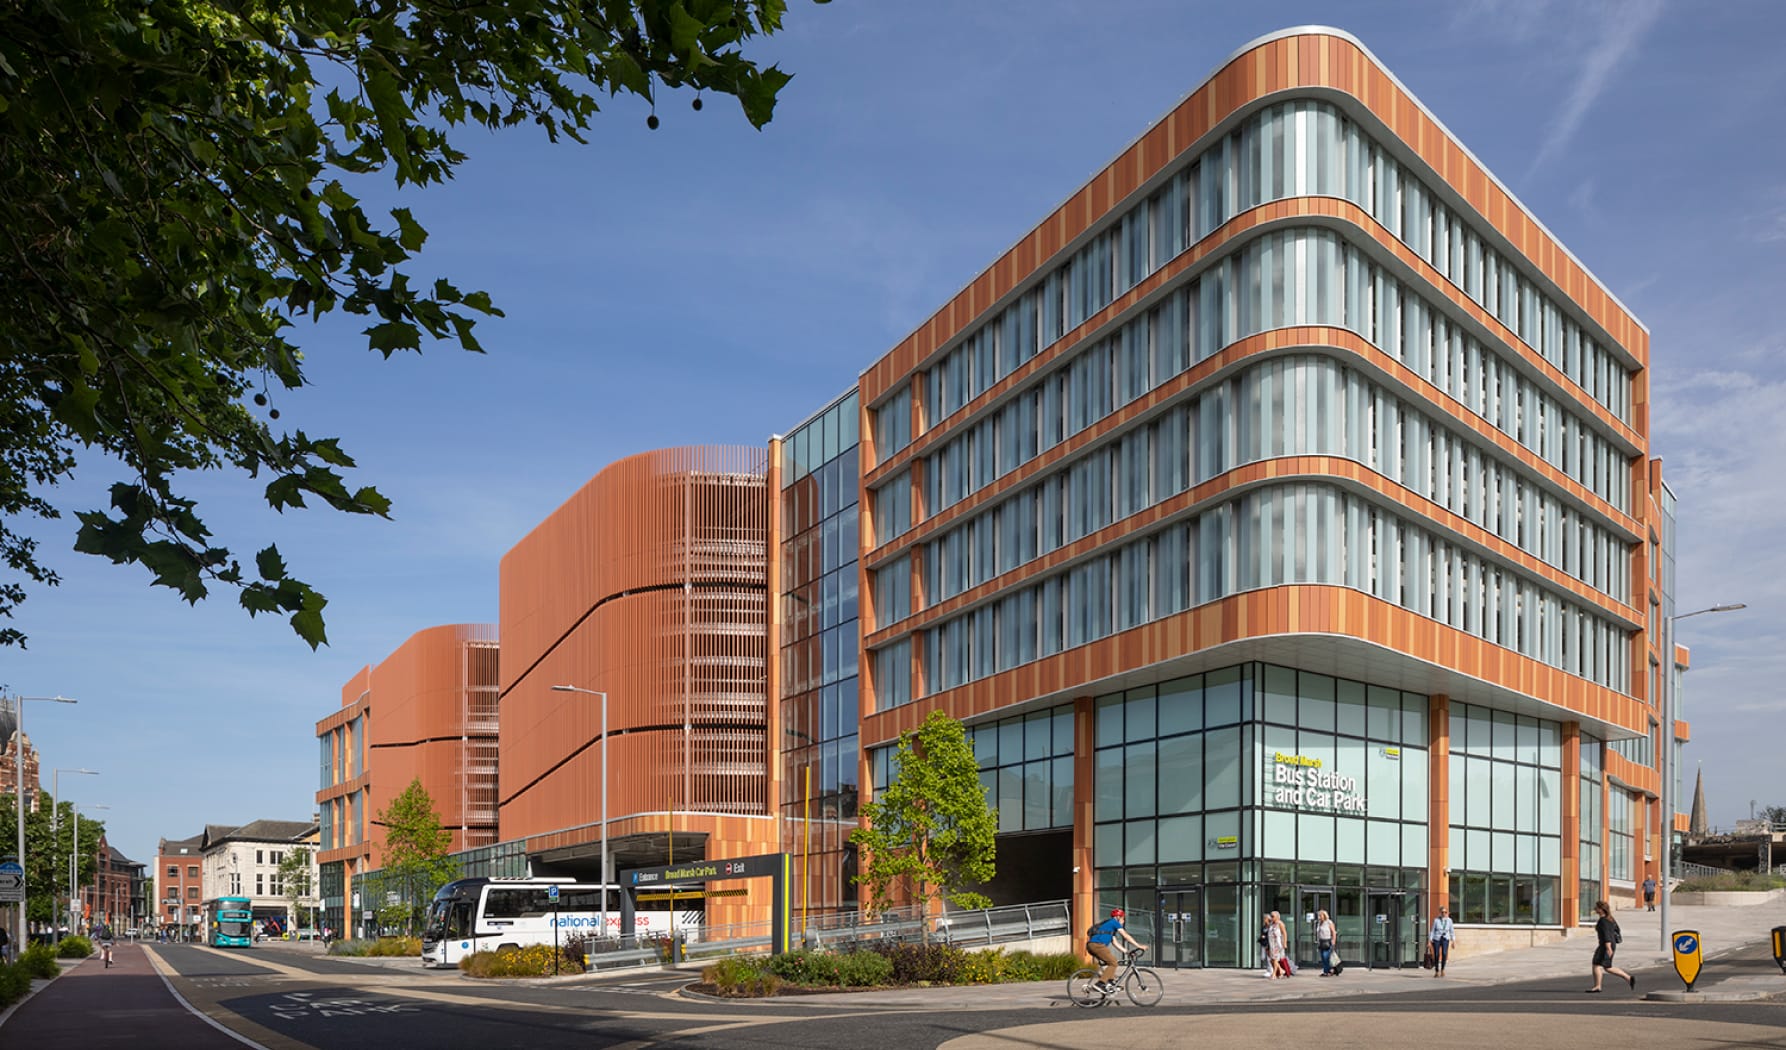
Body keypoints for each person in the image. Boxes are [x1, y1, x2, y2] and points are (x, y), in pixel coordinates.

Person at [1085, 907, 1146, 993]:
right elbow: (1125, 936)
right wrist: (1139, 946)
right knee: (1113, 962)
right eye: (1123, 919)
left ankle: (1110, 983)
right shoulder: (1114, 922)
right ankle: (1100, 984)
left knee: (1111, 963)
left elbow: (1115, 943)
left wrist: (1127, 952)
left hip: (1093, 945)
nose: (1123, 921)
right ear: (1118, 917)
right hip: (1097, 945)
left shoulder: (1110, 927)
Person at [1586, 900, 1635, 993]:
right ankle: (1628, 978)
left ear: (1601, 909)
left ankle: (1598, 986)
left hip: (1606, 945)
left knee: (1597, 965)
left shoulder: (1603, 921)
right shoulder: (1610, 919)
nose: (1595, 909)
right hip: (1609, 944)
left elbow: (1606, 934)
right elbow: (1617, 930)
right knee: (1607, 966)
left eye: (1596, 907)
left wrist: (1608, 947)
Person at [1428, 906, 1455, 977]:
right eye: (1442, 912)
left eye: (1445, 912)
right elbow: (1432, 931)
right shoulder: (1436, 920)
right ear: (1440, 912)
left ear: (1447, 913)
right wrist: (1430, 941)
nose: (1444, 914)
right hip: (1437, 938)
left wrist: (1453, 941)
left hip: (1445, 938)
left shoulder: (1449, 920)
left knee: (1444, 953)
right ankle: (1437, 970)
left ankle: (1442, 969)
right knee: (1436, 954)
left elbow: (1452, 931)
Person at [1265, 910, 1290, 978]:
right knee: (1272, 960)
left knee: (1275, 959)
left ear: (1277, 917)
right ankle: (1280, 970)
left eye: (1272, 916)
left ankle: (1274, 974)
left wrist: (1284, 943)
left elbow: (1284, 933)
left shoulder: (1280, 924)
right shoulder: (1271, 924)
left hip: (1277, 944)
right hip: (1271, 944)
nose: (1271, 917)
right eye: (1271, 916)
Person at [1314, 909, 1338, 976]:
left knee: (1326, 957)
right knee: (1323, 957)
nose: (1319, 917)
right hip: (1321, 942)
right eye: (1318, 916)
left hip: (1327, 941)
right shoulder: (1319, 923)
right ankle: (1326, 971)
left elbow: (1333, 932)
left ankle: (1329, 971)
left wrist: (1333, 941)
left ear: (1324, 915)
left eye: (1320, 915)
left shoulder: (1329, 922)